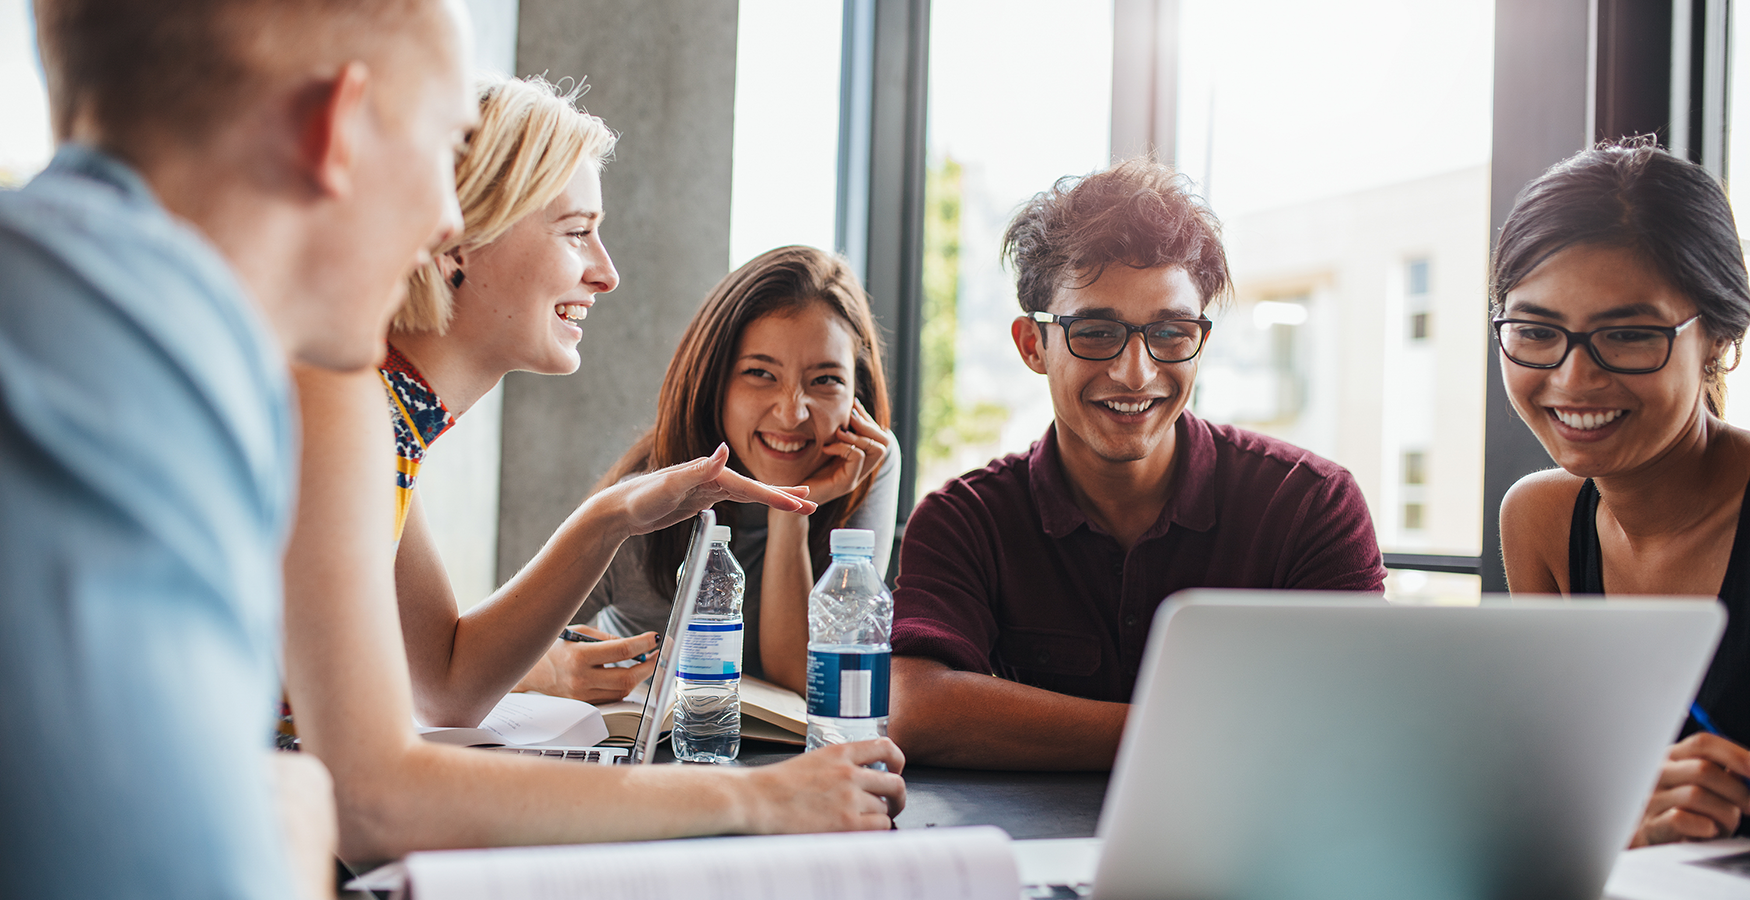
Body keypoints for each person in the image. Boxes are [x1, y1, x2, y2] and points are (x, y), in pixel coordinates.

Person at [284, 76, 907, 862]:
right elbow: (376, 798)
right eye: (577, 231)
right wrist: (755, 796)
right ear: (456, 240)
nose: (606, 273)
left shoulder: (388, 426)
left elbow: (446, 681)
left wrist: (612, 516)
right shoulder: (340, 410)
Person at [1, 0, 477, 896]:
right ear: (336, 127)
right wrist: (291, 818)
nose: (451, 218)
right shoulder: (138, 357)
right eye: (448, 144)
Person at [886, 159, 1387, 771]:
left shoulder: (1310, 504)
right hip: (1029, 856)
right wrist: (1211, 735)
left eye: (1171, 332)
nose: (1136, 372)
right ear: (1031, 345)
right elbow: (915, 706)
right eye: (1096, 332)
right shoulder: (966, 520)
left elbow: (1354, 720)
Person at [1495, 140, 1750, 845]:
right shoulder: (1540, 518)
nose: (1574, 380)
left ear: (1721, 340)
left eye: (1630, 335)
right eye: (1536, 332)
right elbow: (1561, 789)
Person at [543, 244, 899, 696]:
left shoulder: (867, 462)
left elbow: (807, 677)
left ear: (857, 395)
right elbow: (493, 653)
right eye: (760, 373)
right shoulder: (643, 504)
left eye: (826, 380)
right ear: (715, 382)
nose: (792, 414)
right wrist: (550, 670)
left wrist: (790, 509)